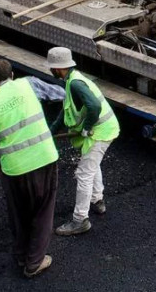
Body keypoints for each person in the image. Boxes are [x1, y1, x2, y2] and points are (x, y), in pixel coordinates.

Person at [0, 59, 64, 278]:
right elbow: (60, 95)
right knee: (43, 211)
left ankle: (21, 255)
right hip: (44, 159)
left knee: (19, 214)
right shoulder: (30, 84)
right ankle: (34, 262)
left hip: (13, 169)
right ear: (12, 75)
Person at [46, 47, 119, 237]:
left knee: (84, 173)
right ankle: (97, 200)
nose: (50, 71)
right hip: (103, 128)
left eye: (51, 67)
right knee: (91, 164)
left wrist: (86, 127)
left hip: (100, 131)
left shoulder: (76, 84)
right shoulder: (72, 80)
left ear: (58, 68)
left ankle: (80, 220)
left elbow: (93, 106)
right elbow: (66, 110)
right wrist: (51, 131)